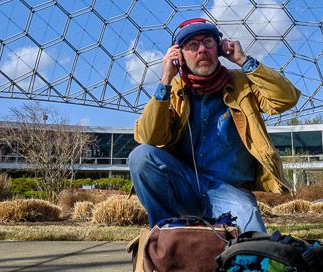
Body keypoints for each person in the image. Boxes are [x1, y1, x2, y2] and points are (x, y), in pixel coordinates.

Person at [129, 18, 301, 232]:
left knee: (254, 240)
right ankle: (167, 234)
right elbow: (150, 137)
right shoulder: (173, 89)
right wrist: (165, 79)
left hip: (230, 192)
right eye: (192, 45)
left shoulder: (241, 81)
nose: (202, 49)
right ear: (179, 56)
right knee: (140, 156)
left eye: (208, 42)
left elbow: (286, 98)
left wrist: (243, 60)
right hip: (186, 187)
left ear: (219, 48)